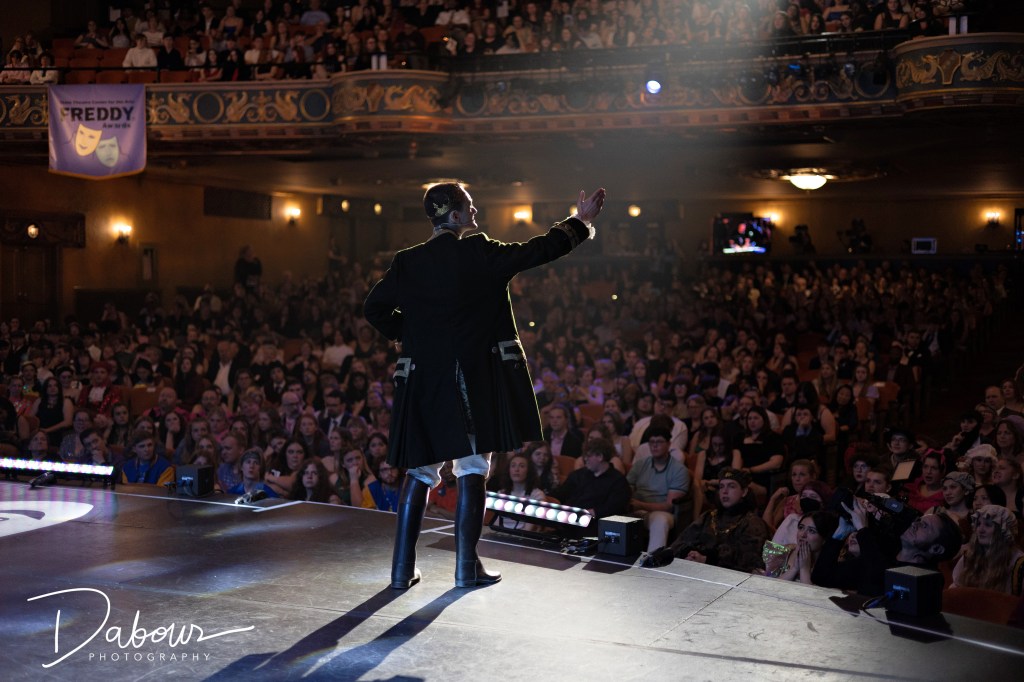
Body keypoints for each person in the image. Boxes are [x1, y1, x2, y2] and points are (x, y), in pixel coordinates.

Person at [364, 181, 605, 589]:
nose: (475, 212)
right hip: (471, 380)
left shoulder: (409, 262)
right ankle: (465, 567)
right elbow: (539, 250)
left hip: (425, 382)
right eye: (470, 206)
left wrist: (414, 334)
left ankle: (401, 571)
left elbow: (374, 308)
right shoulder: (480, 252)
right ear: (455, 216)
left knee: (421, 469)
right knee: (473, 466)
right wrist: (579, 222)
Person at [648, 468, 770, 573]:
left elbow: (750, 560)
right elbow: (682, 541)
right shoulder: (709, 516)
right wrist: (688, 553)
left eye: (731, 486)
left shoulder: (752, 522)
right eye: (722, 487)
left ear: (744, 492)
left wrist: (707, 559)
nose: (725, 491)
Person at [547, 437, 631, 535]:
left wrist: (591, 513)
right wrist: (544, 497)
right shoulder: (578, 475)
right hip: (569, 523)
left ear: (600, 456)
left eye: (588, 456)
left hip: (597, 528)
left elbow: (614, 507)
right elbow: (561, 493)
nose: (585, 459)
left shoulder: (618, 481)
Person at [627, 426, 690, 552]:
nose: (654, 446)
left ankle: (652, 561)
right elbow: (625, 489)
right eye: (652, 442)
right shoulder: (640, 465)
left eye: (659, 442)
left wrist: (639, 504)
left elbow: (669, 506)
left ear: (669, 444)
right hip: (635, 510)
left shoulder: (678, 470)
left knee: (660, 520)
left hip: (662, 513)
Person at [951, 505, 1024, 595]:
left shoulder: (1018, 564)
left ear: (1003, 531)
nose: (980, 530)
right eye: (978, 524)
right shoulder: (969, 556)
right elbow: (955, 590)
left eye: (988, 525)